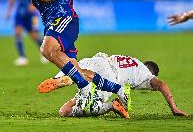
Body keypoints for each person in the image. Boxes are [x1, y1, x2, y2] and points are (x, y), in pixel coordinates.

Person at [16, 0, 130, 108]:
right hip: (51, 23)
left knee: (46, 50)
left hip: (66, 18)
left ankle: (85, 90)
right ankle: (119, 89)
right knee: (76, 71)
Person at [38, 52, 188, 118]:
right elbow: (162, 84)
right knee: (91, 107)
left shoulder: (131, 60)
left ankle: (65, 79)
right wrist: (174, 109)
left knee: (64, 110)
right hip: (109, 76)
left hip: (97, 60)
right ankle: (111, 106)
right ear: (152, 72)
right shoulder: (146, 75)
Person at [5, 0, 48, 66]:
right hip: (20, 11)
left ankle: (45, 54)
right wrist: (9, 11)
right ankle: (22, 57)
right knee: (17, 33)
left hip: (31, 12)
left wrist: (35, 5)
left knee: (34, 35)